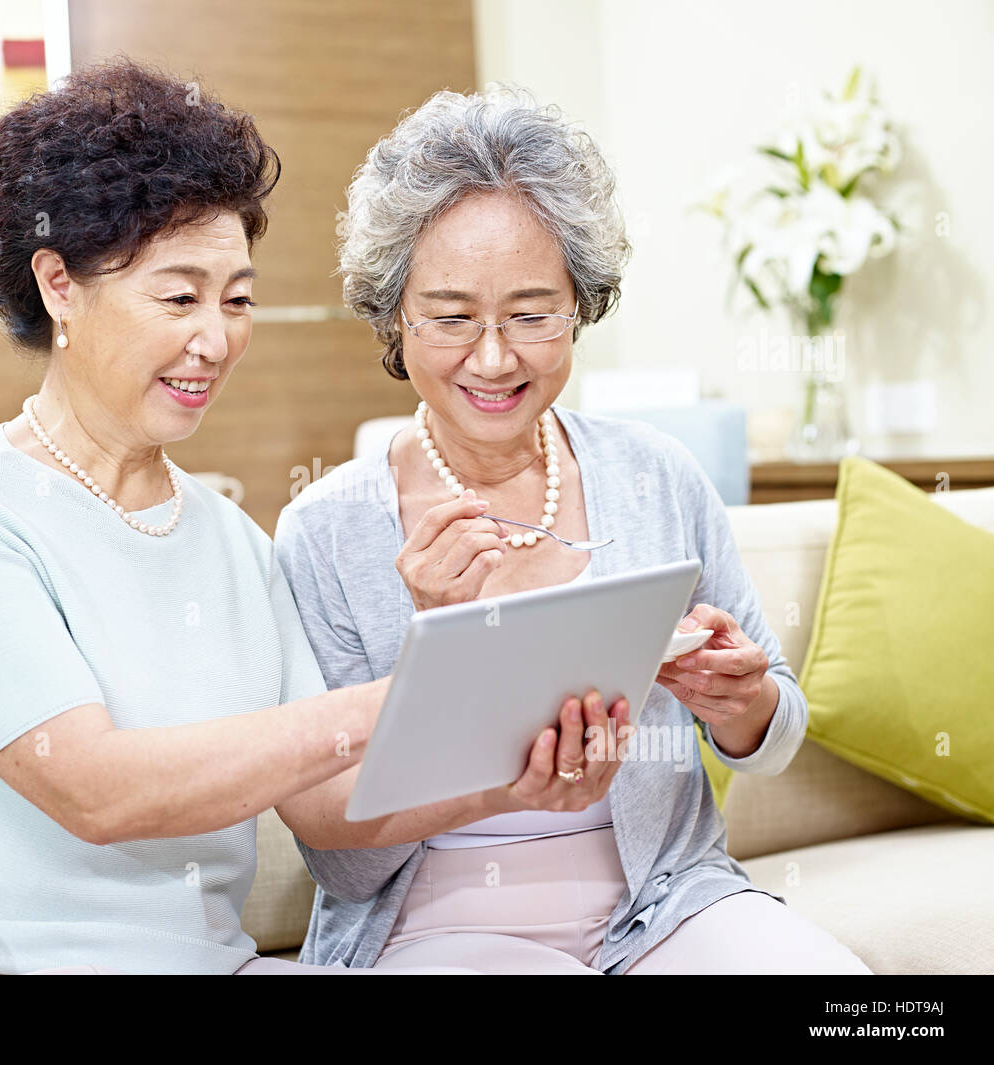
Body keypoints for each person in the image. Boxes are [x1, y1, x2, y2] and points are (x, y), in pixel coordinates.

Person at [0, 58, 496, 976]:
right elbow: (95, 790)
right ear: (60, 285)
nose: (215, 339)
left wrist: (506, 765)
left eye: (238, 300)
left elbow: (329, 806)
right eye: (179, 297)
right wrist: (387, 701)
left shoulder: (233, 542)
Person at [271, 86, 874, 975]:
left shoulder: (656, 475)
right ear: (394, 313)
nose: (492, 356)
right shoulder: (321, 532)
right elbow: (343, 861)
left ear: (581, 305)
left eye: (530, 313)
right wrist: (436, 654)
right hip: (437, 930)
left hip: (667, 903)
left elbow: (777, 731)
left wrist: (743, 705)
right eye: (450, 316)